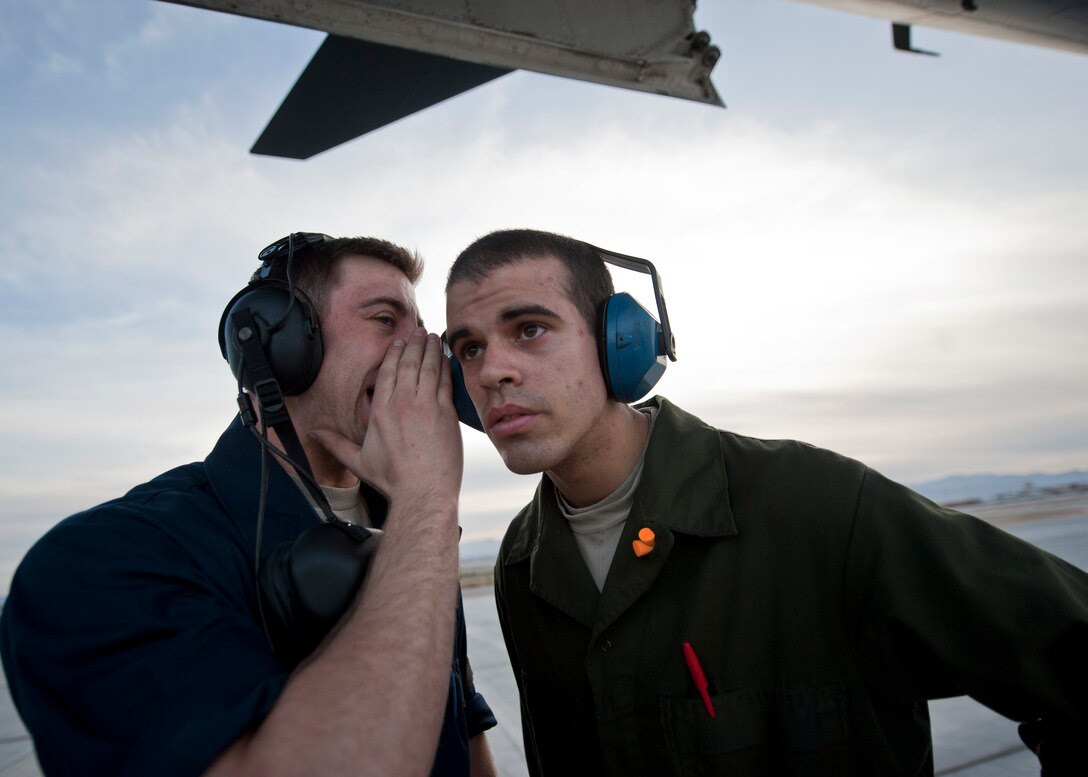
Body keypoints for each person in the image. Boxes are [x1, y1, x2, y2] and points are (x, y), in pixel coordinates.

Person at [443, 228, 1088, 776]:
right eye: (470, 349)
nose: (493, 371)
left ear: (622, 341)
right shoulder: (522, 563)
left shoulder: (816, 505)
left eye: (530, 329)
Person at [0, 233, 497, 777]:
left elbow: (461, 734)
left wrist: (422, 511)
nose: (427, 349)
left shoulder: (407, 524)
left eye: (423, 327)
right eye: (384, 320)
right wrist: (428, 501)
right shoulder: (99, 561)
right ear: (280, 342)